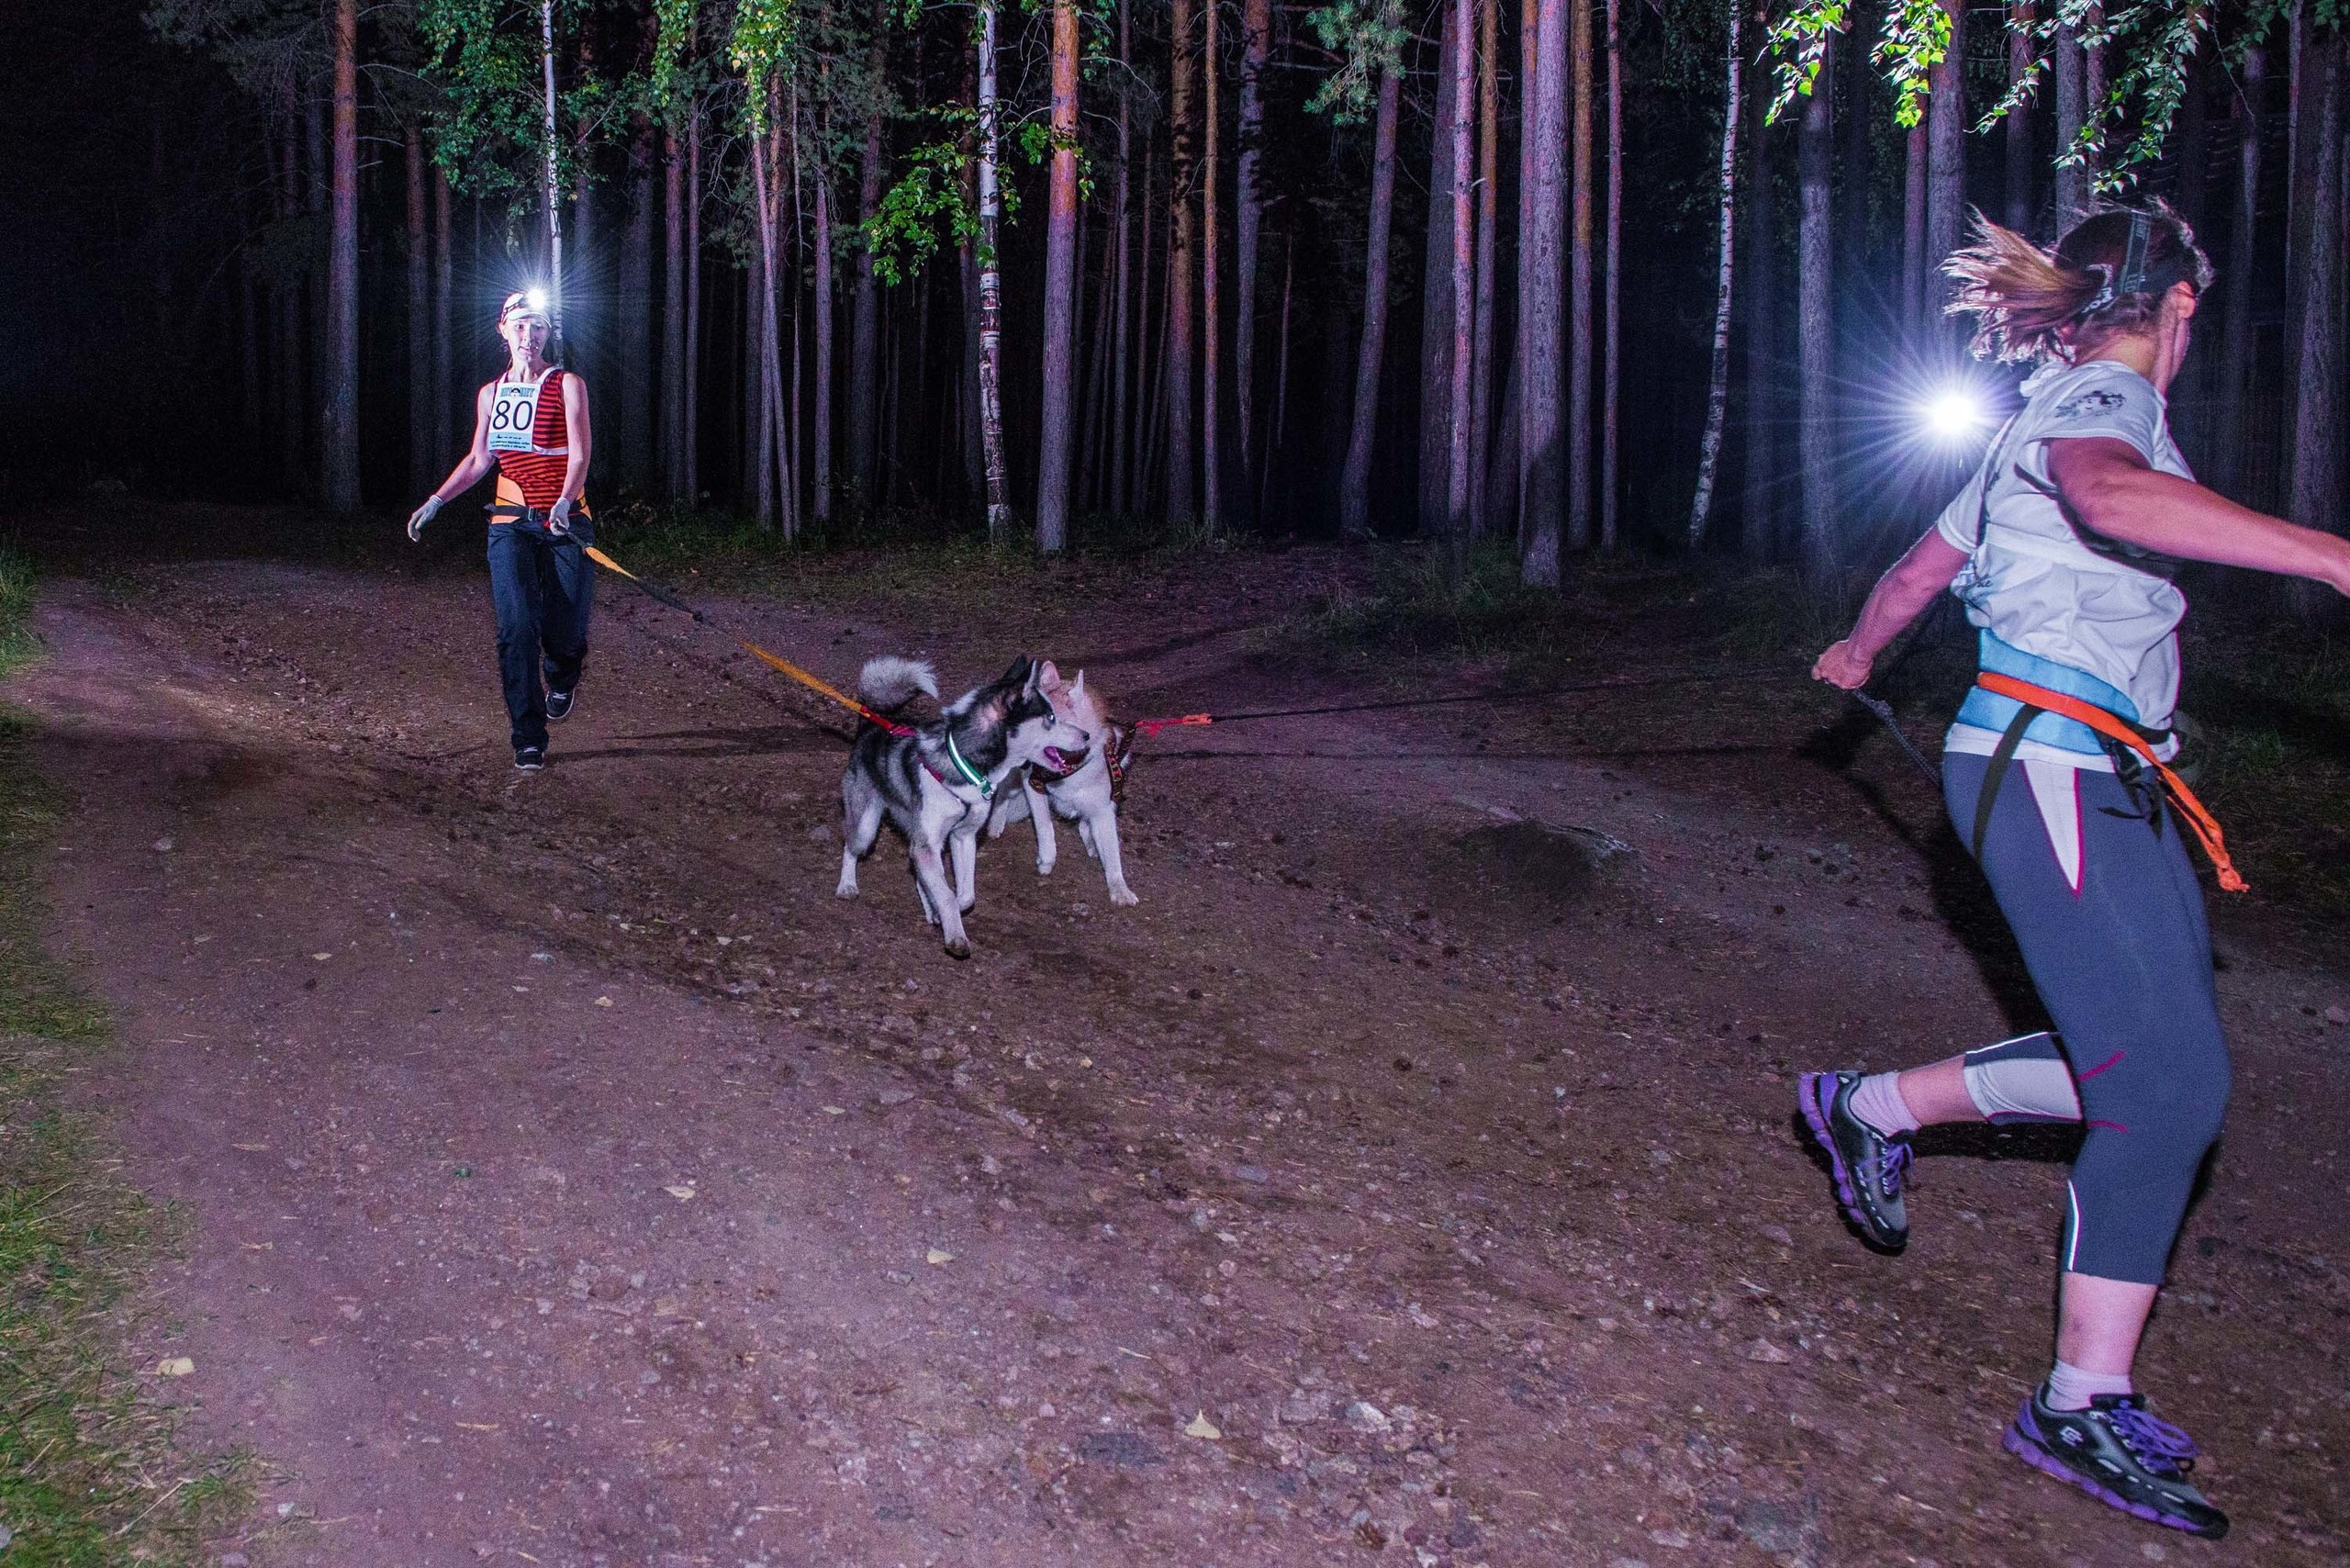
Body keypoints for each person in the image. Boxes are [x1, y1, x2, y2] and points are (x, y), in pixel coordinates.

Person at [1800, 204, 2350, 1540]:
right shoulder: (2101, 400)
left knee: (2164, 1066)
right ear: (2181, 310)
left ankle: (1870, 1108)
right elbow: (2106, 496)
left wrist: (1860, 654)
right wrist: (2334, 556)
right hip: (2050, 765)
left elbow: (1925, 566)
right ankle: (2077, 1402)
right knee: (2160, 1083)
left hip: (2089, 768)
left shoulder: (2031, 412)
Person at [406, 290, 596, 772]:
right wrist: (437, 499)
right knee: (516, 628)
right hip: (510, 521)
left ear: (549, 334)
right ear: (503, 331)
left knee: (565, 630)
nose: (529, 336)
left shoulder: (567, 384)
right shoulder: (491, 394)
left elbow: (578, 456)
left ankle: (561, 675)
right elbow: (480, 459)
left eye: (539, 328)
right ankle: (528, 736)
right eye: (520, 326)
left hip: (565, 519)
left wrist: (563, 502)